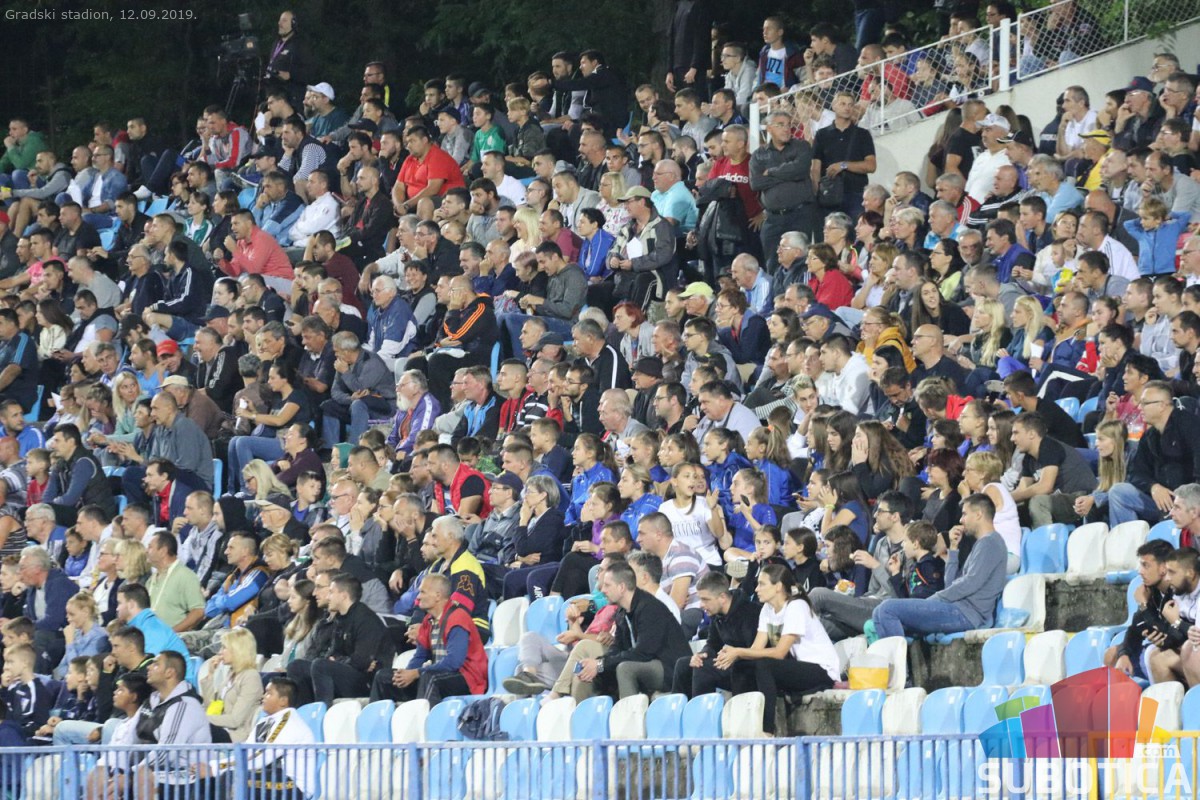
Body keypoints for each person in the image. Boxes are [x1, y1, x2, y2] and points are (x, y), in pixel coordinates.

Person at [871, 493, 1009, 639]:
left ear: (978, 514)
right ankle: (900, 653)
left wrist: (935, 599)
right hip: (956, 609)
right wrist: (953, 549)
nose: (961, 520)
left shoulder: (990, 543)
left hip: (967, 614)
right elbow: (950, 583)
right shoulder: (982, 543)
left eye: (964, 514)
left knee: (887, 609)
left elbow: (970, 583)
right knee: (878, 614)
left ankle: (899, 654)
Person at [371, 572, 487, 704]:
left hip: (468, 678)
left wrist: (416, 673)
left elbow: (454, 662)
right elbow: (420, 656)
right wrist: (406, 674)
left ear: (438, 595)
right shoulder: (428, 620)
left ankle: (423, 716)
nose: (418, 597)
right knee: (383, 677)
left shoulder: (458, 617)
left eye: (422, 592)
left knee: (429, 678)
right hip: (438, 675)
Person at [287, 571, 393, 706]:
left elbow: (362, 661)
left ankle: (322, 711)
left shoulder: (366, 619)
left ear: (344, 596)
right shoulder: (340, 619)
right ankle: (305, 711)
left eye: (331, 592)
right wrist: (338, 660)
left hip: (367, 681)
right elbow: (334, 653)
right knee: (296, 666)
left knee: (321, 665)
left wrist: (337, 660)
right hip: (346, 672)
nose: (328, 597)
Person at [1107, 381, 1200, 526]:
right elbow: (1136, 472)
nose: (1139, 407)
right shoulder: (1149, 435)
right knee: (1118, 492)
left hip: (1189, 501)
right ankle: (1131, 539)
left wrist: (1186, 498)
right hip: (1161, 501)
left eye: (1145, 403)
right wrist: (1153, 487)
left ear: (1162, 405)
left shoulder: (1189, 424)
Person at [129, 650, 212, 797]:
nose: (148, 667)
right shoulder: (151, 700)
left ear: (169, 673)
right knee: (101, 776)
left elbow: (167, 752)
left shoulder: (184, 705)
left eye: (155, 664)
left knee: (143, 776)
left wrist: (132, 772)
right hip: (158, 768)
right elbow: (130, 737)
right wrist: (118, 769)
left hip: (186, 773)